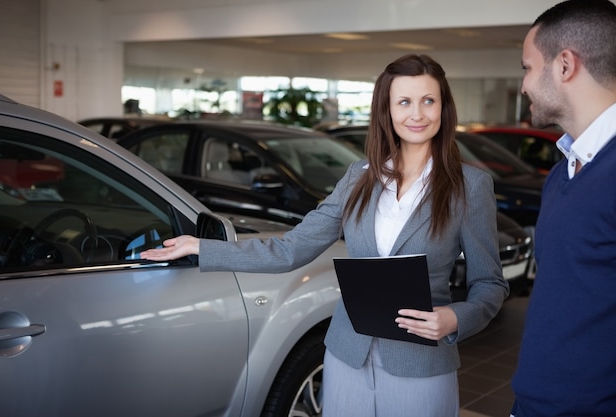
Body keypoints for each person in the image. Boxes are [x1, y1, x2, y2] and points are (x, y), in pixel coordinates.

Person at [141, 54, 509, 416]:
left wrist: (456, 319)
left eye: (429, 100)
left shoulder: (469, 186)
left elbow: (490, 283)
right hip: (347, 354)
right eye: (404, 102)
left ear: (444, 108)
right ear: (387, 110)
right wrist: (202, 248)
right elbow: (291, 249)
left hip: (422, 361)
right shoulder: (359, 178)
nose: (417, 113)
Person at [511, 1, 616, 416]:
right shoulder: (563, 174)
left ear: (565, 65)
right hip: (535, 402)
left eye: (527, 67)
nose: (523, 86)